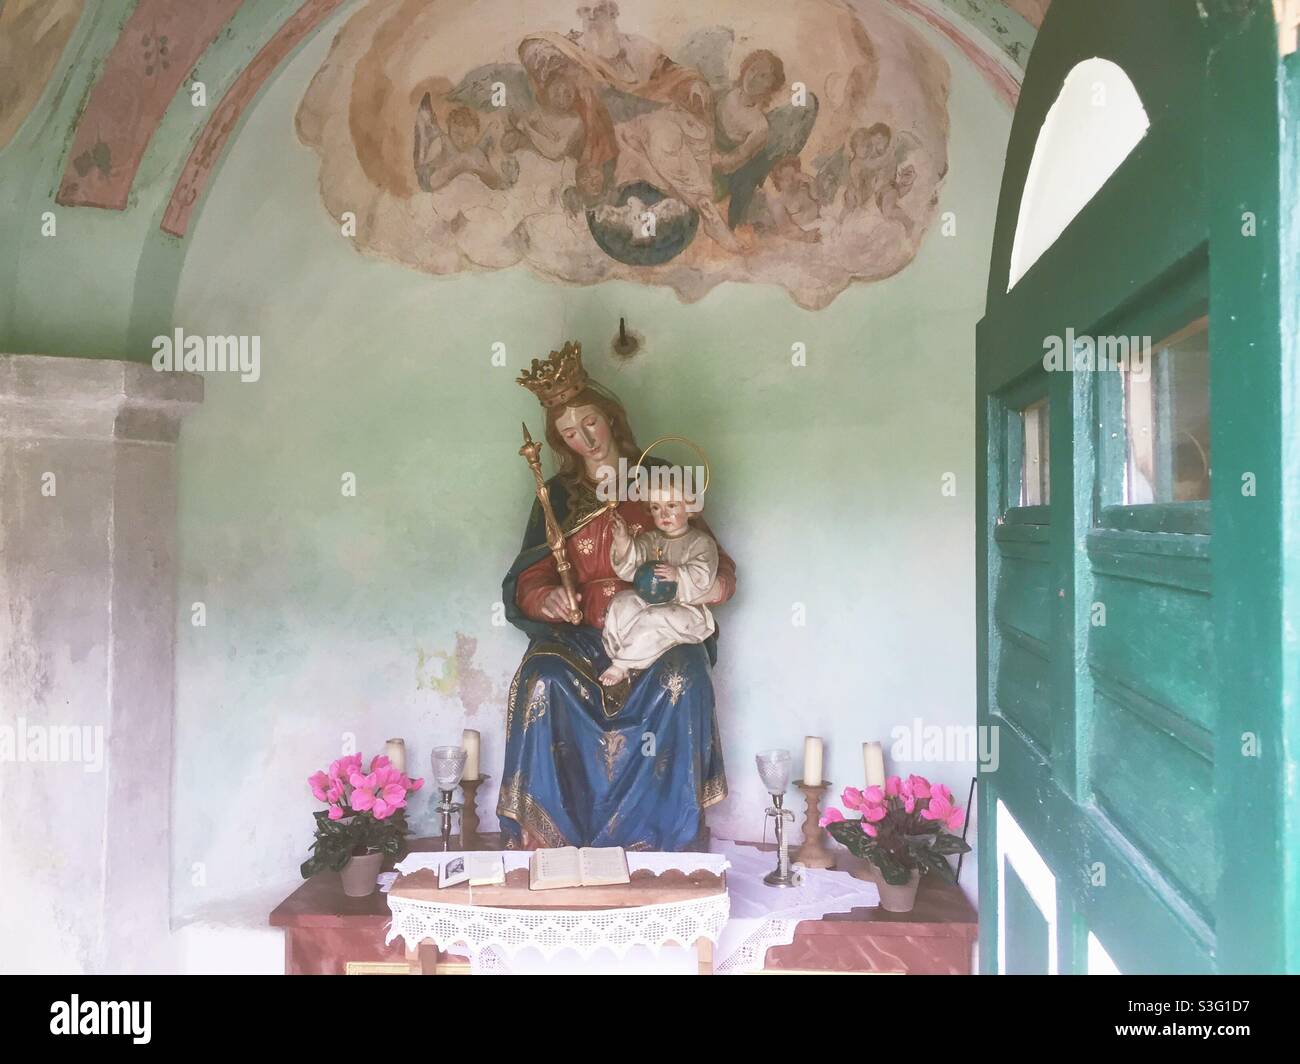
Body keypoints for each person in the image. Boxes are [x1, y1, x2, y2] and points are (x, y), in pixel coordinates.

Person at [499, 342, 735, 850]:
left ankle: (669, 836)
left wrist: (711, 585)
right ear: (558, 440)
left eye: (591, 423)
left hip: (656, 626)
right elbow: (529, 573)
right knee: (542, 679)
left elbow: (710, 553)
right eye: (568, 432)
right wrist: (546, 600)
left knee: (684, 676)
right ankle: (552, 838)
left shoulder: (657, 476)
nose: (584, 438)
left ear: (610, 417)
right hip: (581, 636)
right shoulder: (557, 495)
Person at [600, 481, 719, 685]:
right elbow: (632, 565)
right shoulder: (651, 539)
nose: (663, 514)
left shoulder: (701, 542)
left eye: (671, 506)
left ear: (690, 507)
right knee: (622, 601)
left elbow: (703, 574)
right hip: (651, 600)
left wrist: (678, 574)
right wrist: (622, 540)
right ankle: (621, 651)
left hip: (686, 609)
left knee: (653, 616)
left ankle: (622, 665)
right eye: (656, 508)